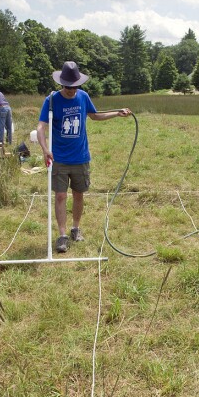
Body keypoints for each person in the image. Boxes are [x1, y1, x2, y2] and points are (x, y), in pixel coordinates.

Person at [37, 61, 133, 253]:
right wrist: (45, 149)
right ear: (61, 84)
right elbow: (41, 126)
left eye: (75, 86)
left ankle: (76, 229)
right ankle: (62, 235)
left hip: (81, 156)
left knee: (79, 194)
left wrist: (117, 113)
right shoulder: (52, 100)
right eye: (68, 87)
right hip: (60, 158)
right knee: (61, 196)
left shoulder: (83, 96)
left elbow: (95, 115)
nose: (72, 90)